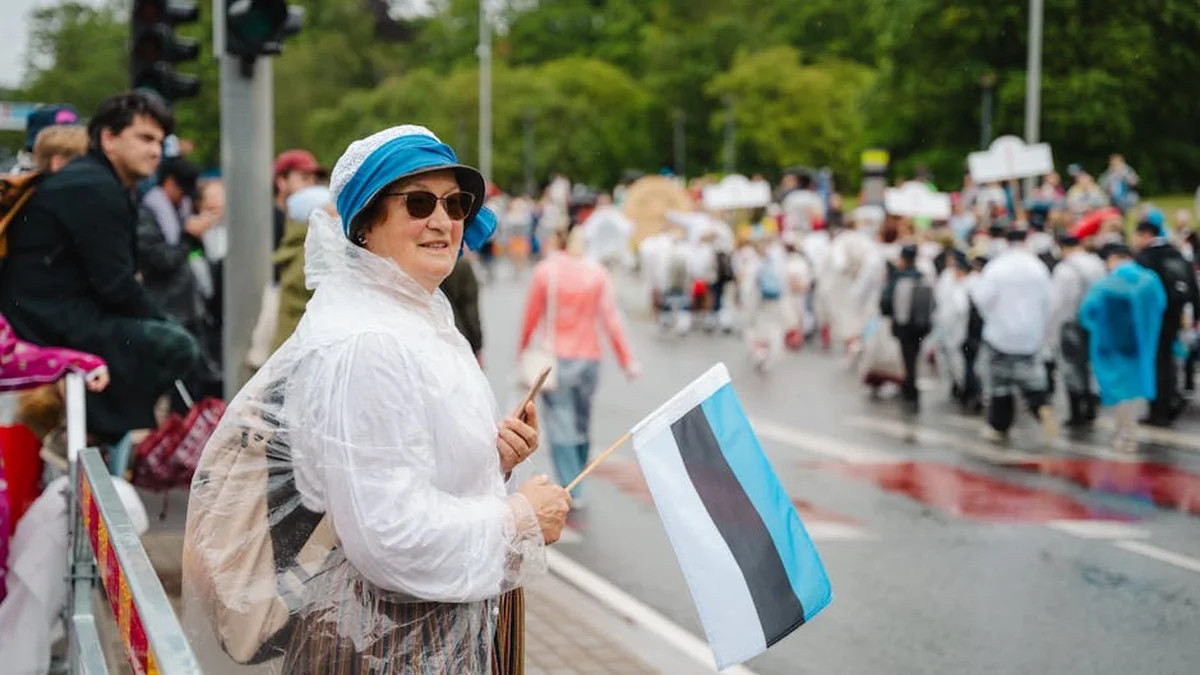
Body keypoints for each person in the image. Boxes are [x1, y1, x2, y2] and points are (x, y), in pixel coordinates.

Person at [184, 125, 571, 673]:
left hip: (408, 632)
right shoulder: (371, 341)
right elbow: (389, 536)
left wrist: (493, 457)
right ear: (366, 224)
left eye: (455, 204)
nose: (442, 220)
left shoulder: (407, 314)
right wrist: (520, 520)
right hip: (385, 642)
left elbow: (388, 467)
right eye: (418, 202)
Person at [0, 92, 199, 443]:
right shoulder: (95, 187)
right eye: (144, 138)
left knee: (157, 336)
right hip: (43, 322)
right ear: (108, 138)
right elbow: (116, 284)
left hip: (46, 313)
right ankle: (87, 434)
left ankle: (93, 432)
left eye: (159, 141)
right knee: (176, 344)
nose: (155, 150)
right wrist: (162, 321)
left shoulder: (93, 179)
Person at [518, 223, 638, 505]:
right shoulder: (597, 273)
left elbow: (531, 316)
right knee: (582, 423)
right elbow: (611, 320)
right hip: (589, 358)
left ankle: (573, 486)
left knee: (561, 423)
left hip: (556, 358)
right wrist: (627, 360)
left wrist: (522, 352)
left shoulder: (546, 272)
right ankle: (578, 473)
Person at [969, 229, 1057, 441]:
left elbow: (982, 298)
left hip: (1000, 333)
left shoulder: (997, 267)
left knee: (1000, 383)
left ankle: (1000, 425)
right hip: (1030, 334)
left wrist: (992, 316)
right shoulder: (1037, 267)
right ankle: (1041, 406)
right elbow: (1049, 301)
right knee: (1032, 378)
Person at [1080, 243, 1166, 452]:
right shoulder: (1150, 280)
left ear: (1112, 260)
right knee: (1135, 388)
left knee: (1119, 389)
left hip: (1111, 345)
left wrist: (1098, 330)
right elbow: (1161, 304)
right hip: (1140, 344)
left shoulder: (1105, 285)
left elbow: (1087, 313)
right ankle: (1131, 430)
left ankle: (1122, 430)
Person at [1133, 217, 1200, 425]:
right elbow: (1192, 285)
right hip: (1177, 315)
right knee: (1168, 360)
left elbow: (1140, 292)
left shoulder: (1146, 257)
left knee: (1156, 363)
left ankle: (1159, 410)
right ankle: (1171, 399)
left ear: (1146, 235)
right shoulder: (1176, 253)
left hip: (1155, 317)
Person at [1048, 235, 1107, 426]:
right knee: (1091, 364)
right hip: (1096, 321)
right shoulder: (1097, 263)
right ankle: (1091, 405)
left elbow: (1058, 302)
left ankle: (1076, 412)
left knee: (1071, 366)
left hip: (1072, 323)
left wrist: (1052, 328)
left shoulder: (1064, 269)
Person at [880, 244, 935, 413]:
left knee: (907, 357)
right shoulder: (922, 277)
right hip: (919, 326)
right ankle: (909, 387)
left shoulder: (897, 277)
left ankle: (910, 390)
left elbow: (886, 301)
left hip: (903, 325)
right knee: (913, 356)